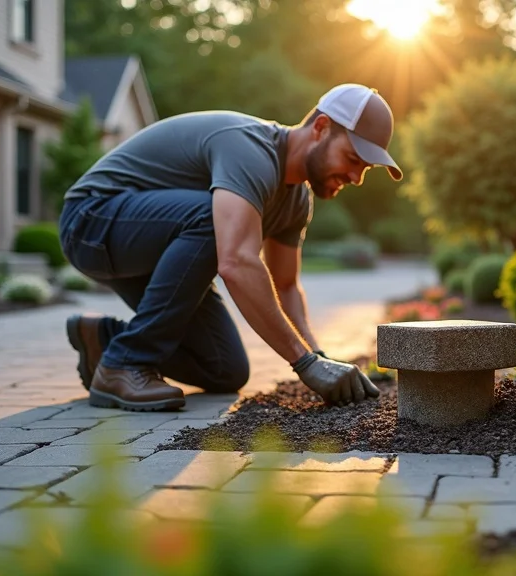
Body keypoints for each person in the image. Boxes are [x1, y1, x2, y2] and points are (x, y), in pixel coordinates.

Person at [58, 83, 403, 412]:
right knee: (215, 220)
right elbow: (236, 263)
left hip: (144, 246)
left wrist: (318, 356)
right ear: (321, 128)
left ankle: (103, 340)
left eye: (365, 168)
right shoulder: (251, 150)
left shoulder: (297, 199)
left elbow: (285, 285)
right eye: (352, 159)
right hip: (91, 221)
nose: (356, 178)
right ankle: (126, 362)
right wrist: (304, 363)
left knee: (225, 369)